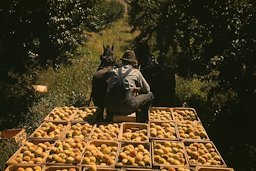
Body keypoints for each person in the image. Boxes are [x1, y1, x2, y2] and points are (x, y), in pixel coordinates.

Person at [105, 50, 154, 122]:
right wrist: (138, 89)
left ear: (122, 62)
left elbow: (109, 89)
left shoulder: (114, 71)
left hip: (111, 106)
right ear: (133, 63)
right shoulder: (136, 72)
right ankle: (143, 120)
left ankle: (108, 117)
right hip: (127, 107)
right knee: (150, 95)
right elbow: (147, 89)